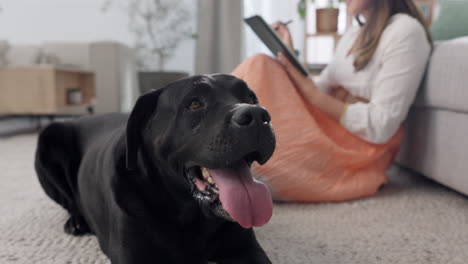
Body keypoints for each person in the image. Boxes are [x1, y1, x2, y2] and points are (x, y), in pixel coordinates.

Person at [231, 0, 432, 202]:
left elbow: (382, 124)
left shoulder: (406, 31)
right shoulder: (354, 33)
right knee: (263, 65)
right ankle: (218, 138)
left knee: (257, 158)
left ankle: (231, 155)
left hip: (356, 147)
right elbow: (319, 87)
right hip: (327, 125)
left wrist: (315, 96)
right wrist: (289, 56)